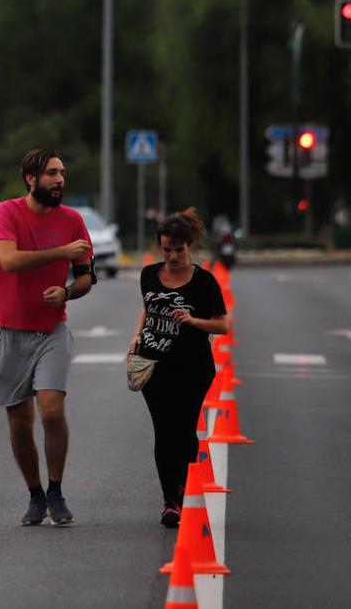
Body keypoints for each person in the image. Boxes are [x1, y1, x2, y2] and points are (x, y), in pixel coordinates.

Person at [0, 149, 95, 526]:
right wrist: (59, 252)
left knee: (52, 410)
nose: (60, 180)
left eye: (62, 172)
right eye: (51, 173)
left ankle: (56, 490)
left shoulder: (73, 220)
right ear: (31, 178)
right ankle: (35, 495)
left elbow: (86, 276)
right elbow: (9, 261)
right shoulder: (5, 212)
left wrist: (67, 292)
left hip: (52, 329)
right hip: (9, 331)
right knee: (19, 422)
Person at [130, 208, 229, 527]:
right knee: (163, 431)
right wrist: (136, 336)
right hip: (153, 365)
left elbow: (222, 325)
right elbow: (148, 308)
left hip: (193, 367)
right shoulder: (148, 275)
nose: (172, 256)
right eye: (166, 250)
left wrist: (192, 320)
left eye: (178, 250)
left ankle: (186, 484)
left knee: (184, 432)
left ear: (190, 246)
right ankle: (170, 500)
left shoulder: (204, 281)